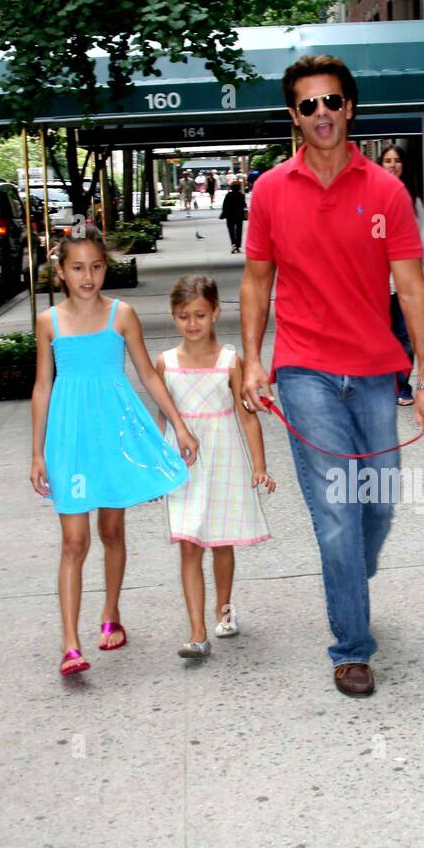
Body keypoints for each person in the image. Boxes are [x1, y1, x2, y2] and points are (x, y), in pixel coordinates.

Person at [240, 53, 424, 698]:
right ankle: (352, 647)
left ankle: (352, 573)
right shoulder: (271, 191)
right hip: (304, 369)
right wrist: (252, 359)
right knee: (336, 510)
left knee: (377, 503)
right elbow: (255, 280)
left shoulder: (385, 192)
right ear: (294, 118)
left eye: (332, 101)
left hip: (374, 369)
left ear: (349, 108)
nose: (322, 114)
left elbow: (413, 289)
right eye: (308, 105)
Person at [29, 226, 198, 677]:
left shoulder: (121, 316)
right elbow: (42, 387)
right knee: (73, 540)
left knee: (111, 532)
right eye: (78, 268)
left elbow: (147, 374)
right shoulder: (49, 322)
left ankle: (111, 611)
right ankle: (69, 644)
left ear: (107, 267)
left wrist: (178, 426)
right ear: (61, 272)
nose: (88, 276)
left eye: (97, 267)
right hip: (69, 438)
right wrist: (37, 452)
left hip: (113, 435)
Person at [156, 275, 274, 659]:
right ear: (174, 317)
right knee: (189, 545)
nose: (192, 324)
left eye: (200, 315)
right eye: (183, 316)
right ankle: (196, 632)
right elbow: (162, 417)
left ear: (216, 313)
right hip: (184, 464)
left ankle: (224, 610)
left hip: (224, 459)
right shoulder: (166, 364)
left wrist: (259, 466)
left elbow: (248, 417)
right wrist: (157, 467)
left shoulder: (230, 361)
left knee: (221, 543)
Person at [380, 142, 424, 406]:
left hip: (403, 284)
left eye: (397, 160)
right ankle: (381, 383)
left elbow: (418, 244)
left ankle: (401, 384)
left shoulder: (413, 200)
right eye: (388, 160)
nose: (393, 165)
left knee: (405, 336)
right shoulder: (372, 197)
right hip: (377, 282)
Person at [220, 180, 247, 253]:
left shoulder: (228, 195)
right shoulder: (241, 195)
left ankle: (233, 244)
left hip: (230, 215)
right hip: (239, 215)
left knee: (231, 231)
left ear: (231, 187)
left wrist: (223, 214)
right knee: (239, 231)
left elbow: (225, 205)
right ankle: (238, 245)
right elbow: (244, 205)